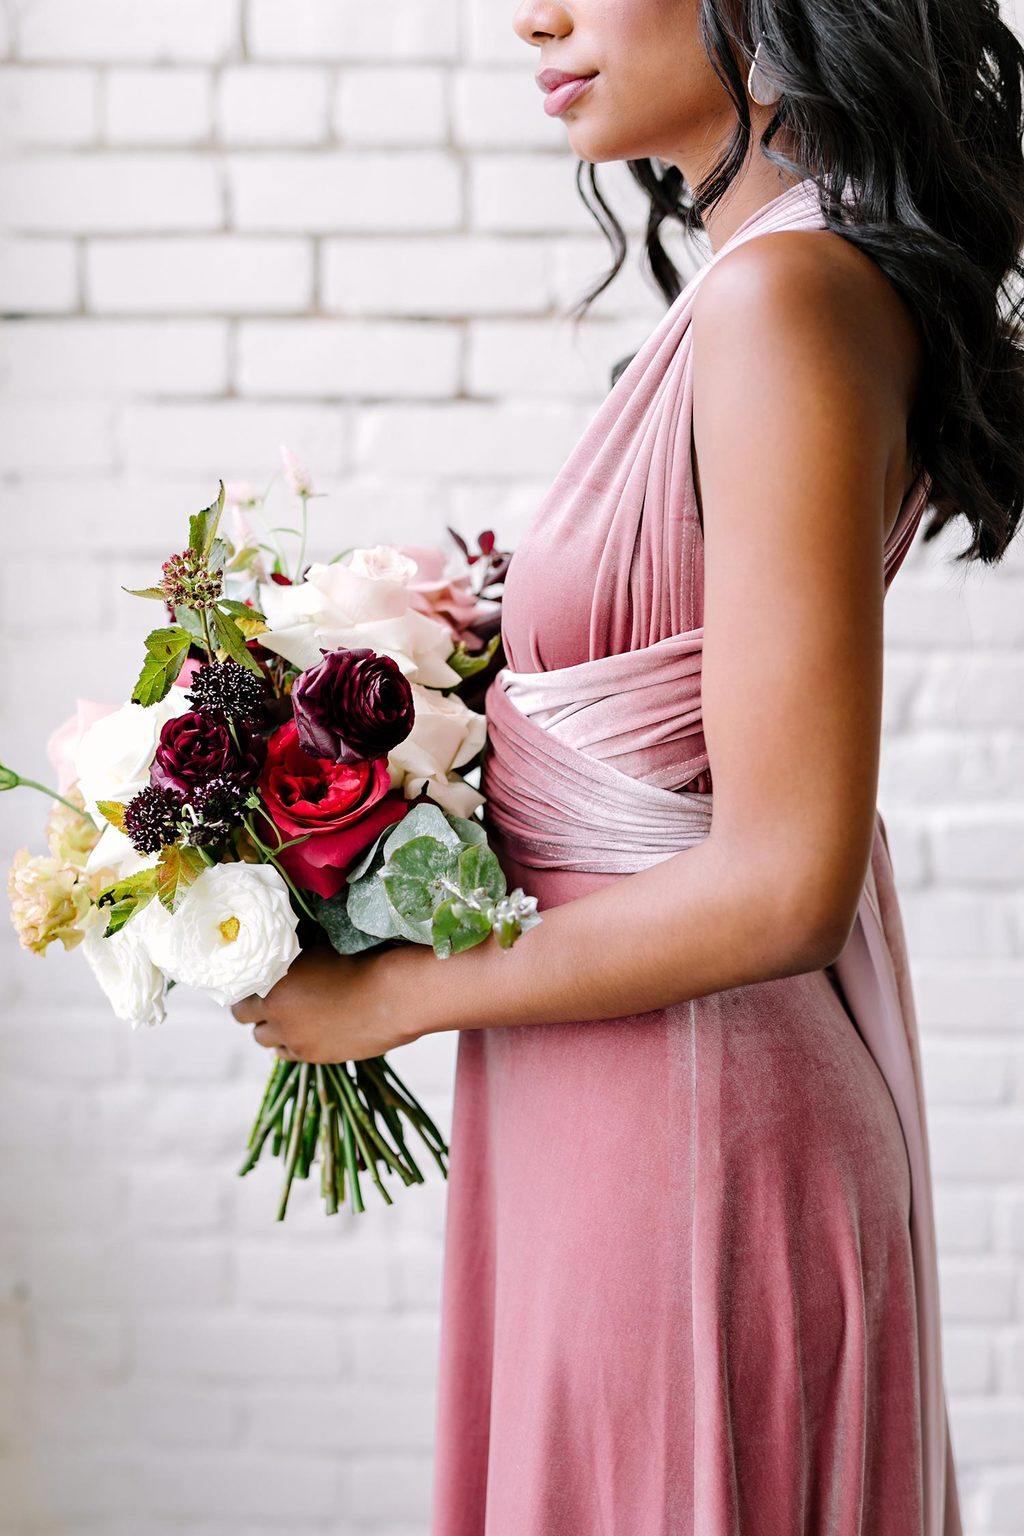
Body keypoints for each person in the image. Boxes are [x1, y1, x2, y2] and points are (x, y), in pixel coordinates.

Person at [232, 1, 1024, 1530]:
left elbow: (787, 879)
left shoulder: (784, 297)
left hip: (690, 1125)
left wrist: (388, 995)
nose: (533, 12)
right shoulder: (764, 283)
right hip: (620, 1086)